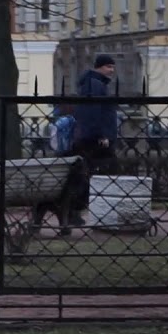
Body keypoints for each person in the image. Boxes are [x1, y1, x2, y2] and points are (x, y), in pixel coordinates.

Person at [67, 54, 119, 228]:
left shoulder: (93, 83)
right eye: (107, 67)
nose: (111, 70)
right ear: (99, 67)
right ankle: (75, 211)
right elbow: (94, 112)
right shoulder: (95, 84)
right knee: (96, 176)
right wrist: (101, 135)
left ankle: (75, 211)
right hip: (94, 139)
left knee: (87, 176)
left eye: (112, 67)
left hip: (89, 137)